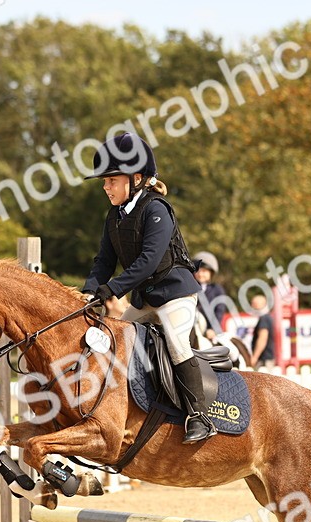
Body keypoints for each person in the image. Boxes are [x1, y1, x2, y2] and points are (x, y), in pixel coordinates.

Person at [81, 132, 215, 444]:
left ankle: (199, 415)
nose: (105, 187)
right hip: (144, 298)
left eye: (112, 180)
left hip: (175, 295)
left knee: (177, 344)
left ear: (137, 178)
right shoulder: (113, 216)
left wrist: (111, 289)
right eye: (105, 181)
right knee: (113, 340)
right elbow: (104, 260)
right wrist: (89, 290)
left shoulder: (157, 209)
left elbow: (149, 261)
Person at [192, 251, 230, 344]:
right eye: (198, 271)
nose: (200, 274)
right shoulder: (190, 288)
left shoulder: (217, 290)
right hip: (192, 329)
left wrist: (213, 329)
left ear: (211, 273)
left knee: (232, 351)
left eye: (204, 271)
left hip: (210, 331)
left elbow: (219, 311)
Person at [248, 293, 277, 371]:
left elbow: (262, 339)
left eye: (253, 304)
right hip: (266, 358)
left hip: (264, 360)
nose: (252, 306)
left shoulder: (264, 319)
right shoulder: (267, 317)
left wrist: (255, 357)